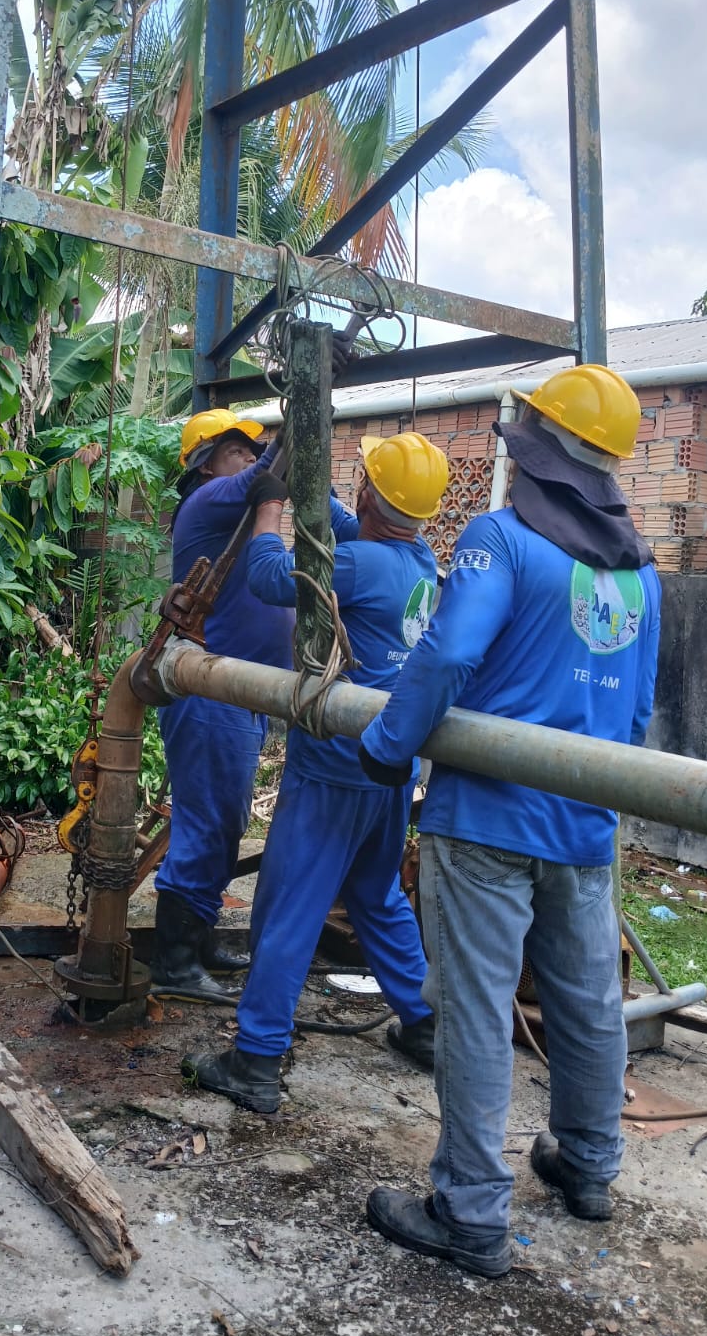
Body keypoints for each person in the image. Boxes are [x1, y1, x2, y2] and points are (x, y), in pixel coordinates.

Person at [357, 364, 661, 1279]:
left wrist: (387, 742)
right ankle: (590, 1166)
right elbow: (637, 715)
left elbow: (449, 651)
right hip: (585, 826)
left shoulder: (499, 540)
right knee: (587, 1003)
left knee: (479, 1012)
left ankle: (470, 1210)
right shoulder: (642, 575)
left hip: (486, 819)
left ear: (534, 450)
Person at [182, 432, 449, 1112]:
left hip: (332, 765)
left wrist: (270, 504)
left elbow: (271, 577)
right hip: (390, 763)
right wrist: (304, 475)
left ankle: (257, 1058)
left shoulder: (357, 564)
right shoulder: (418, 561)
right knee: (376, 894)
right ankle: (425, 1025)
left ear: (369, 491)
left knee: (286, 908)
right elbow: (350, 523)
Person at [152, 409, 356, 998]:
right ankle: (173, 964)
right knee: (208, 823)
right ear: (204, 461)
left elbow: (271, 475)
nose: (248, 457)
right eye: (236, 449)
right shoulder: (210, 499)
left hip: (239, 690)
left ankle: (199, 939)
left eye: (250, 449)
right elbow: (271, 473)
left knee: (225, 820)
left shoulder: (234, 509)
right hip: (210, 687)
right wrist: (305, 406)